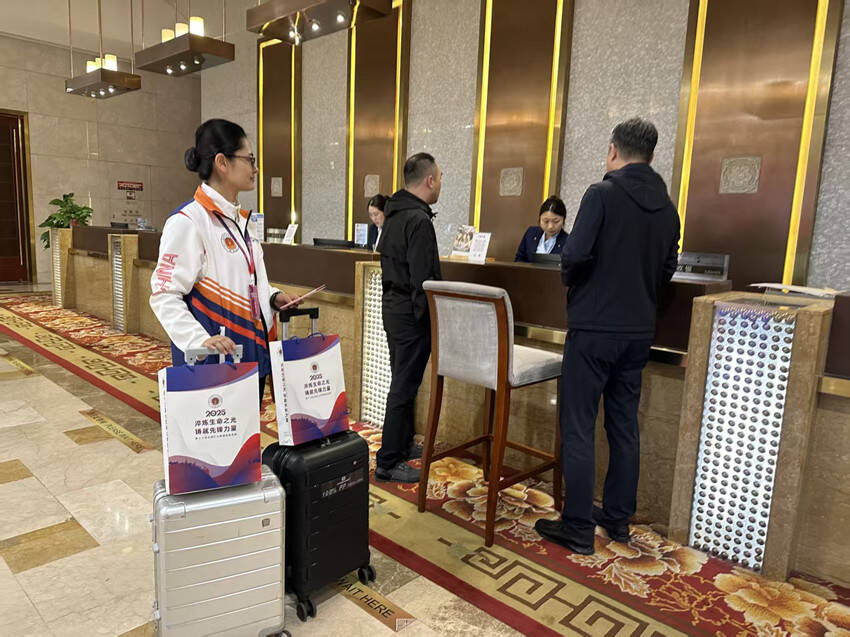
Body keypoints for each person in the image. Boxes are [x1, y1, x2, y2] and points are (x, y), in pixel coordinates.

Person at [535, 118, 680, 554]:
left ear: (613, 150)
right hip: (638, 332)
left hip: (594, 328)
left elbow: (574, 255)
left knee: (578, 425)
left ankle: (578, 527)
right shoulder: (668, 209)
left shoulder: (601, 194)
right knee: (624, 425)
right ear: (651, 156)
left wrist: (576, 283)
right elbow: (667, 271)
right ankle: (617, 520)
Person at [150, 119, 300, 402]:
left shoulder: (241, 221)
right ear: (222, 162)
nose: (255, 168)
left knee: (248, 429)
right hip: (213, 364)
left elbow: (246, 281)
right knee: (216, 431)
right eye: (249, 159)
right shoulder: (189, 222)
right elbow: (164, 294)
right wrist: (199, 340)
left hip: (250, 355)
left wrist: (272, 297)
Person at [375, 152, 443, 483]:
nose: (440, 184)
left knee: (403, 381)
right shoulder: (418, 220)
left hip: (393, 308)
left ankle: (401, 444)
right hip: (411, 314)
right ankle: (388, 461)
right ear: (429, 180)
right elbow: (423, 280)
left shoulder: (394, 214)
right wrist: (427, 321)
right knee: (403, 386)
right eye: (439, 178)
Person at [514, 196, 569, 262]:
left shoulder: (568, 241)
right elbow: (519, 258)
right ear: (540, 219)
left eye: (556, 221)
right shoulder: (531, 233)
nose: (550, 226)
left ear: (563, 220)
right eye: (546, 221)